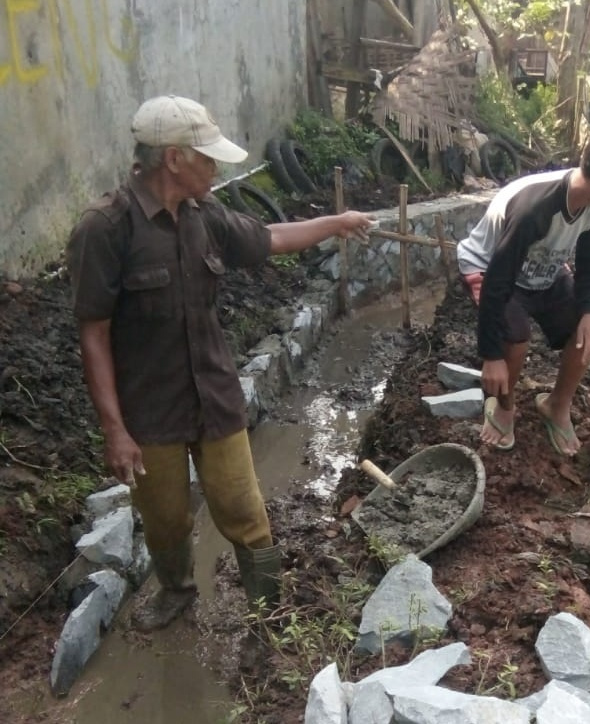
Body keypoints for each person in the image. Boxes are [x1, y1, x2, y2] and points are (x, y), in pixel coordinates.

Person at [66, 95, 372, 631]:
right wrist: (114, 430)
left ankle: (269, 609)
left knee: (244, 511)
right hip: (149, 411)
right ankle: (177, 591)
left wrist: (335, 222)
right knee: (164, 521)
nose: (216, 168)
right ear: (174, 159)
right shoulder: (105, 229)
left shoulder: (205, 216)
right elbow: (93, 332)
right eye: (208, 158)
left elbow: (271, 238)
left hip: (215, 397)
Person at [456, 116, 590, 456]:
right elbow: (497, 282)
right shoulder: (535, 208)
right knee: (515, 336)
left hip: (542, 269)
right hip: (490, 267)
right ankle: (504, 407)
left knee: (585, 333)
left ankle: (556, 405)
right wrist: (491, 355)